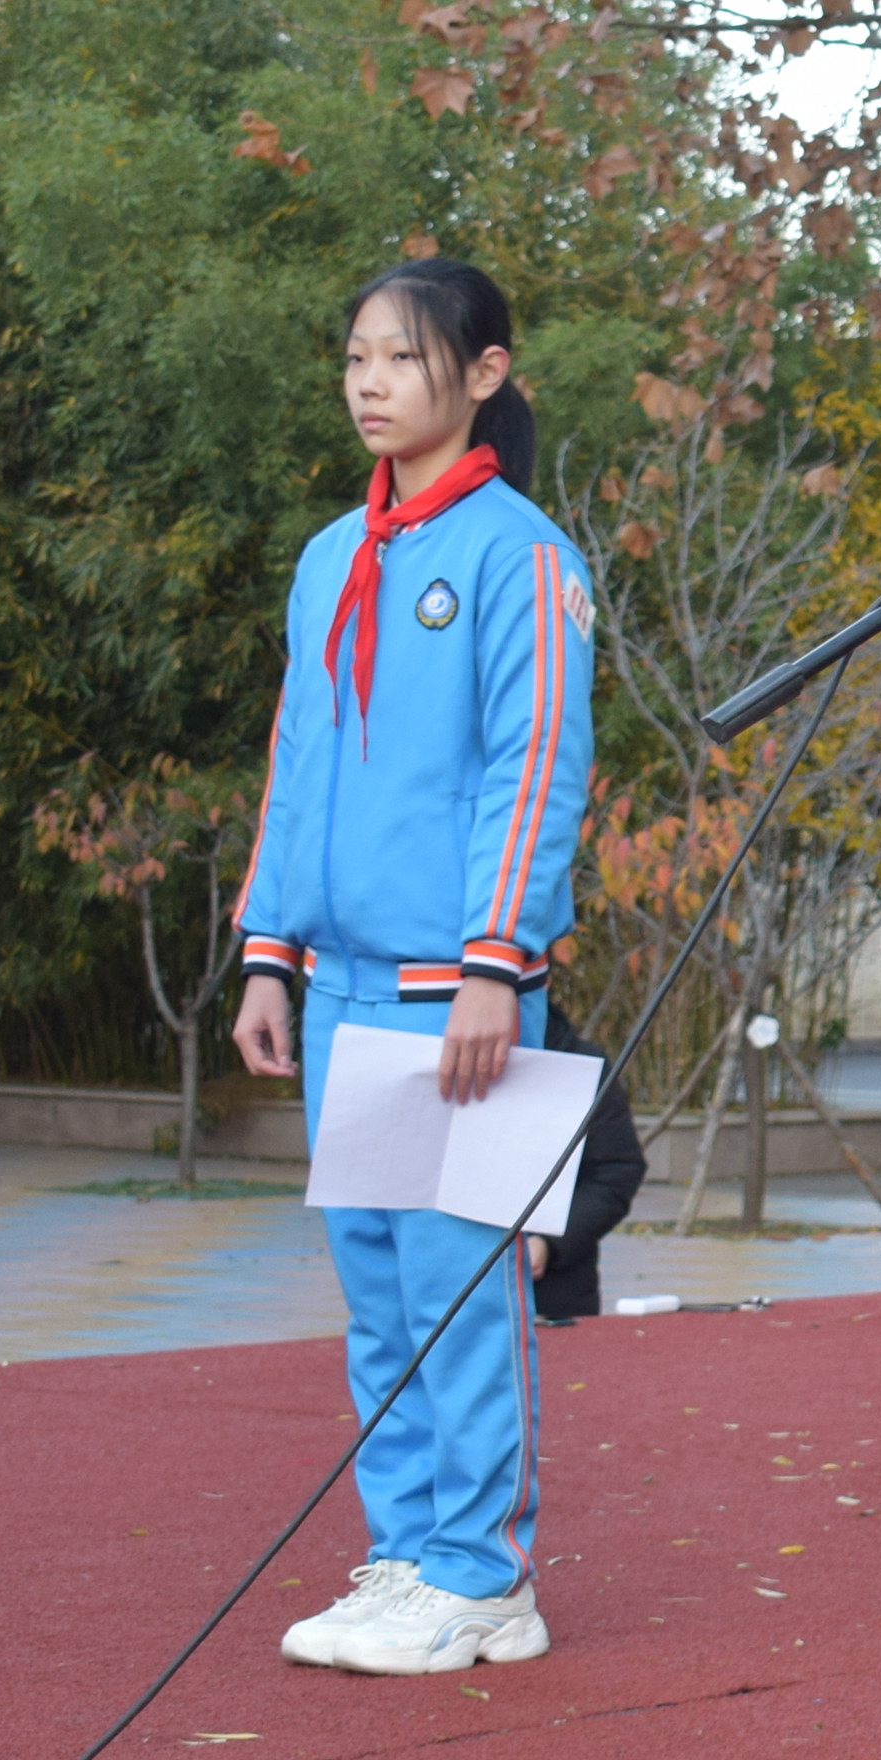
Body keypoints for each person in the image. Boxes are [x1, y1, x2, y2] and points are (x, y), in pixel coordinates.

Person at [233, 258, 599, 1679]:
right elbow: (299, 759)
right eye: (355, 358)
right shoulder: (333, 553)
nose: (370, 383)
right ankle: (405, 1554)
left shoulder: (521, 555)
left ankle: (484, 1575)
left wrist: (496, 963)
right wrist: (269, 951)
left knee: (461, 1290)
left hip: (456, 989)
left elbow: (536, 764)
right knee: (379, 1300)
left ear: (485, 373)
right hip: (340, 986)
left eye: (400, 356)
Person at [523, 993, 647, 1324]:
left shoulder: (582, 1064)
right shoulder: (434, 1055)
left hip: (555, 1296)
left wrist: (549, 1243)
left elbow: (617, 1171)